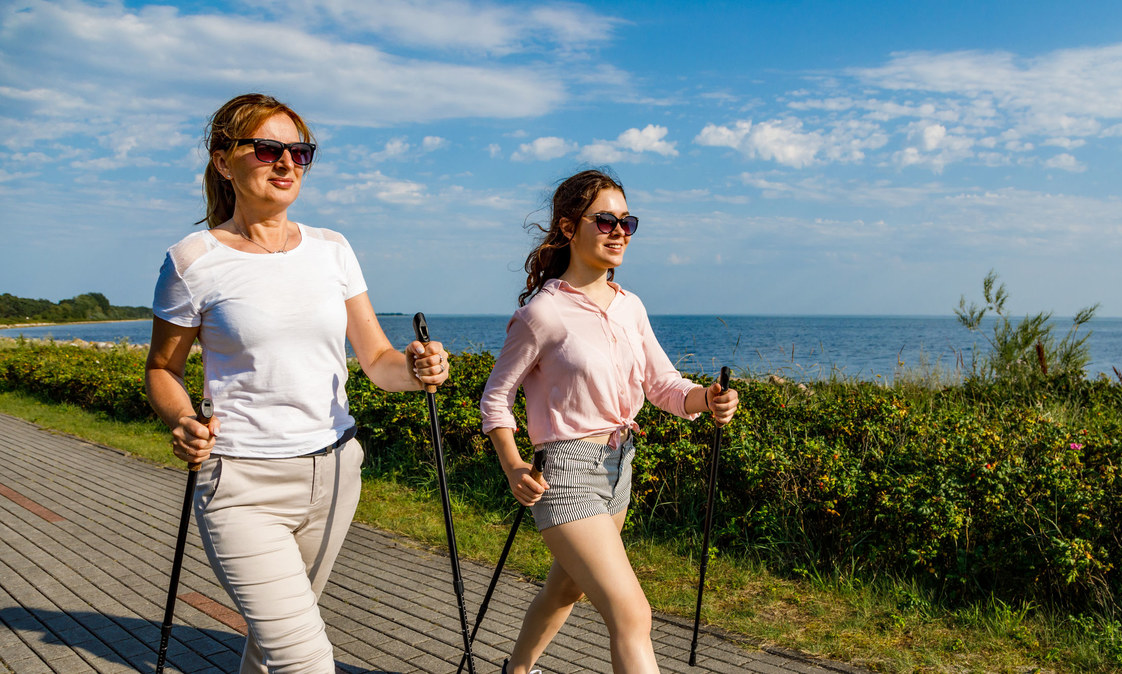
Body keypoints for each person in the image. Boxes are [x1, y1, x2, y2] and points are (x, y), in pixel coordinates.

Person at [144, 93, 449, 674]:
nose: (286, 163)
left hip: (334, 476)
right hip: (240, 483)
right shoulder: (192, 261)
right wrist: (181, 419)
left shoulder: (332, 250)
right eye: (267, 149)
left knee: (274, 644)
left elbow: (379, 358)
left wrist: (416, 369)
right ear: (222, 160)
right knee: (304, 658)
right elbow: (163, 369)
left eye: (299, 152)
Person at [480, 169, 739, 674]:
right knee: (631, 612)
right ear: (569, 228)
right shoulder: (544, 314)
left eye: (627, 221)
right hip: (566, 470)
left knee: (565, 586)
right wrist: (513, 466)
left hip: (620, 463)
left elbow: (664, 385)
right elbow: (496, 399)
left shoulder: (631, 306)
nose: (619, 231)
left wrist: (705, 399)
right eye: (605, 220)